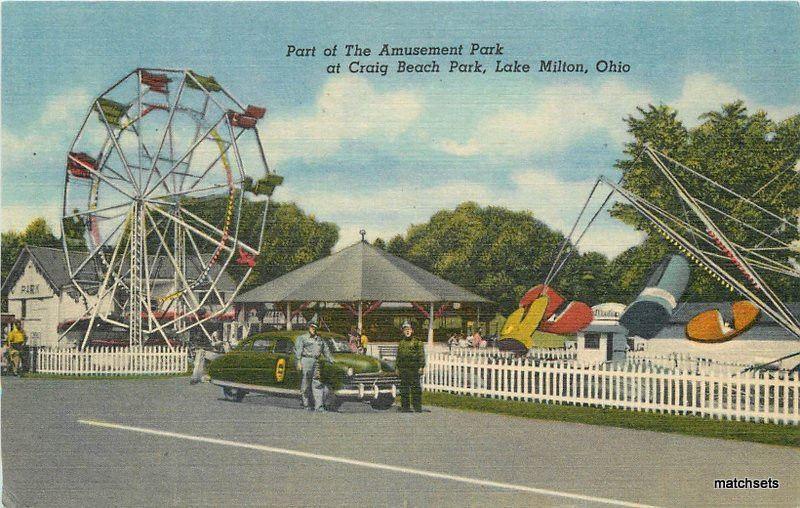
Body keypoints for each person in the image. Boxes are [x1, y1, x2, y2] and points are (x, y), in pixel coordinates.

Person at [294, 318, 335, 411]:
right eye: (312, 327)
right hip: (306, 360)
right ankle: (306, 404)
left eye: (315, 328)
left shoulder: (319, 339)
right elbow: (298, 350)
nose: (313, 329)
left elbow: (326, 350)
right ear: (309, 327)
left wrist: (331, 359)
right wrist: (299, 362)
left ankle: (319, 406)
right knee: (305, 383)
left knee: (317, 383)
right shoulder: (303, 338)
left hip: (316, 361)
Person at [396, 320, 425, 412]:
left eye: (409, 329)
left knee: (416, 389)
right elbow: (398, 356)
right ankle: (405, 407)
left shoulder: (417, 342)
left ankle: (417, 407)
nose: (407, 331)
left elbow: (421, 355)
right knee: (404, 389)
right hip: (404, 369)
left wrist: (421, 366)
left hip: (414, 368)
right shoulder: (401, 343)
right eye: (405, 330)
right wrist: (397, 367)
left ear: (412, 331)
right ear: (403, 331)